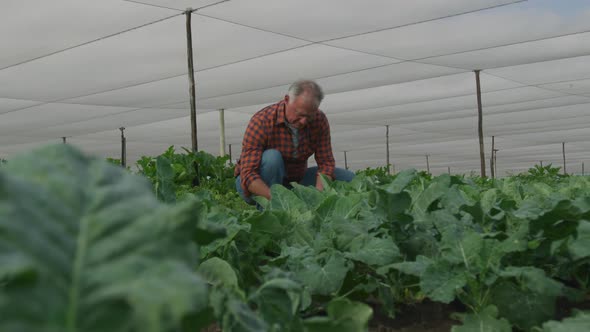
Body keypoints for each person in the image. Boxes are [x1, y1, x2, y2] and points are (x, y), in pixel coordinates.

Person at [235, 79, 355, 205]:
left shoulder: (319, 120)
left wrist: (319, 196)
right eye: (300, 114)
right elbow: (248, 174)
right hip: (257, 185)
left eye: (309, 116)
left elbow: (326, 163)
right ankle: (269, 210)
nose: (303, 121)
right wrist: (279, 201)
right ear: (286, 100)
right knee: (272, 158)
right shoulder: (262, 120)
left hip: (294, 181)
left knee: (348, 178)